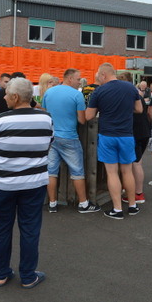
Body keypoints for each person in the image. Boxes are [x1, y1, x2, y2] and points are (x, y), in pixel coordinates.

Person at [0, 77, 52, 289]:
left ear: (15, 97)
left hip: (3, 184)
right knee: (30, 229)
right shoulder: (46, 119)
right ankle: (28, 276)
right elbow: (48, 144)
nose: (4, 97)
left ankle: (1, 274)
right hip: (34, 183)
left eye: (6, 94)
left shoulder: (0, 121)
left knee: (0, 229)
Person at [85, 63, 142, 220]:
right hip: (126, 136)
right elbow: (139, 109)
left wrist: (102, 109)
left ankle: (117, 209)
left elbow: (88, 116)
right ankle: (132, 205)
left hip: (108, 136)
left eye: (99, 76)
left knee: (112, 173)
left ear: (103, 75)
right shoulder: (131, 88)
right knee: (127, 171)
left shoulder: (99, 91)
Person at [42, 68, 100, 214]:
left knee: (51, 171)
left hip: (52, 137)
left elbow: (45, 113)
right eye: (78, 79)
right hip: (69, 137)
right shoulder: (76, 95)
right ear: (69, 78)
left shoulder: (49, 92)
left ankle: (52, 203)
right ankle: (83, 204)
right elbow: (82, 120)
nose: (80, 82)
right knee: (77, 171)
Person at [118, 72, 149, 204]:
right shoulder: (137, 94)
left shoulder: (127, 95)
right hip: (144, 131)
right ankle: (135, 191)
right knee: (137, 162)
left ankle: (138, 194)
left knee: (135, 164)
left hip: (134, 132)